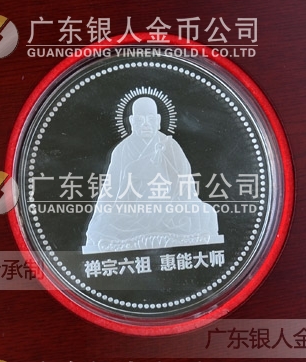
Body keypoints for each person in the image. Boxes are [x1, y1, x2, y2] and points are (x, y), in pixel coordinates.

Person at [82, 96, 223, 254]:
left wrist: (177, 198)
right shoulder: (122, 150)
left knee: (206, 213)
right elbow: (110, 191)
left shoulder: (170, 146)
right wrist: (101, 214)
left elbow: (186, 184)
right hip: (133, 212)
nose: (146, 124)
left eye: (150, 119)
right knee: (103, 224)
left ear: (158, 120)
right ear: (132, 121)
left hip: (169, 208)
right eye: (140, 120)